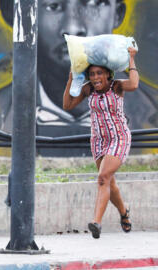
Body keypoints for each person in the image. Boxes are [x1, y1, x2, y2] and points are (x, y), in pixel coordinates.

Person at [0, 0, 158, 155]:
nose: (73, 27)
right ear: (23, 17)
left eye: (93, 3)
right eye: (53, 6)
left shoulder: (152, 112)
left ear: (117, 14)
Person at [62, 47, 138, 239]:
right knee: (108, 182)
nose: (95, 78)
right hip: (98, 141)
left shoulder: (117, 86)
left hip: (119, 137)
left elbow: (135, 84)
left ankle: (96, 222)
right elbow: (67, 105)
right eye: (92, 74)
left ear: (108, 74)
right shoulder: (87, 89)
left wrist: (131, 58)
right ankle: (124, 212)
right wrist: (71, 79)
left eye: (99, 74)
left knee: (103, 177)